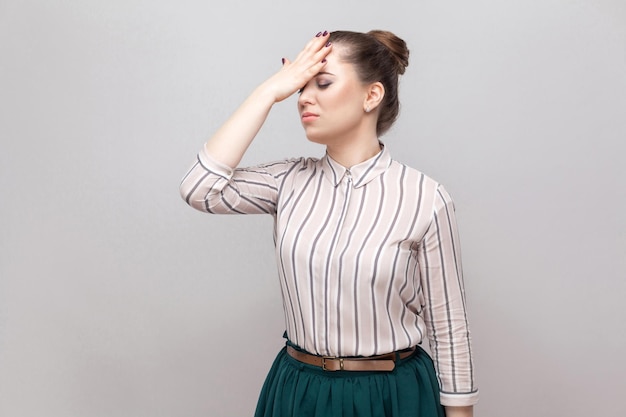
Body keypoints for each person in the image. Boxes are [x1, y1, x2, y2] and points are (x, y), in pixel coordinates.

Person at [180, 30, 478, 417]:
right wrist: (269, 92)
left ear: (372, 95)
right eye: (300, 87)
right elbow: (200, 188)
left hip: (393, 395)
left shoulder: (425, 197)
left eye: (322, 83)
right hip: (299, 391)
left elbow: (450, 328)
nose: (303, 97)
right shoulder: (286, 181)